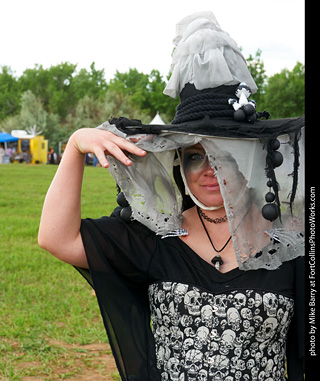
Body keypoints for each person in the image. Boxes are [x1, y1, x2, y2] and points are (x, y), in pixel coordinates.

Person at [38, 11, 305, 380]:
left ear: (251, 161)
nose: (210, 168)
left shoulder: (292, 243)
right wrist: (74, 147)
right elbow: (56, 237)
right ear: (179, 165)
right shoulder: (156, 237)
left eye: (225, 155)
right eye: (196, 156)